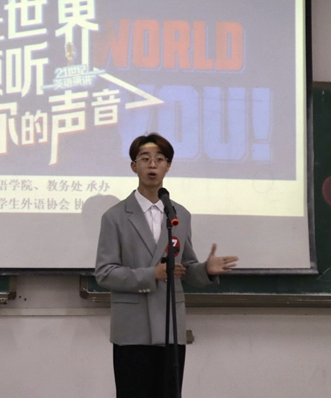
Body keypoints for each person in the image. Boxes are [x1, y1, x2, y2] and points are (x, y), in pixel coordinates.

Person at [95, 133, 238, 398]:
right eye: (145, 159)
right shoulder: (114, 217)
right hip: (132, 329)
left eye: (160, 159)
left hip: (170, 326)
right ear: (133, 166)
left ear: (168, 166)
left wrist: (205, 270)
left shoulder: (179, 214)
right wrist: (152, 274)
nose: (152, 165)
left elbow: (186, 267)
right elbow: (105, 273)